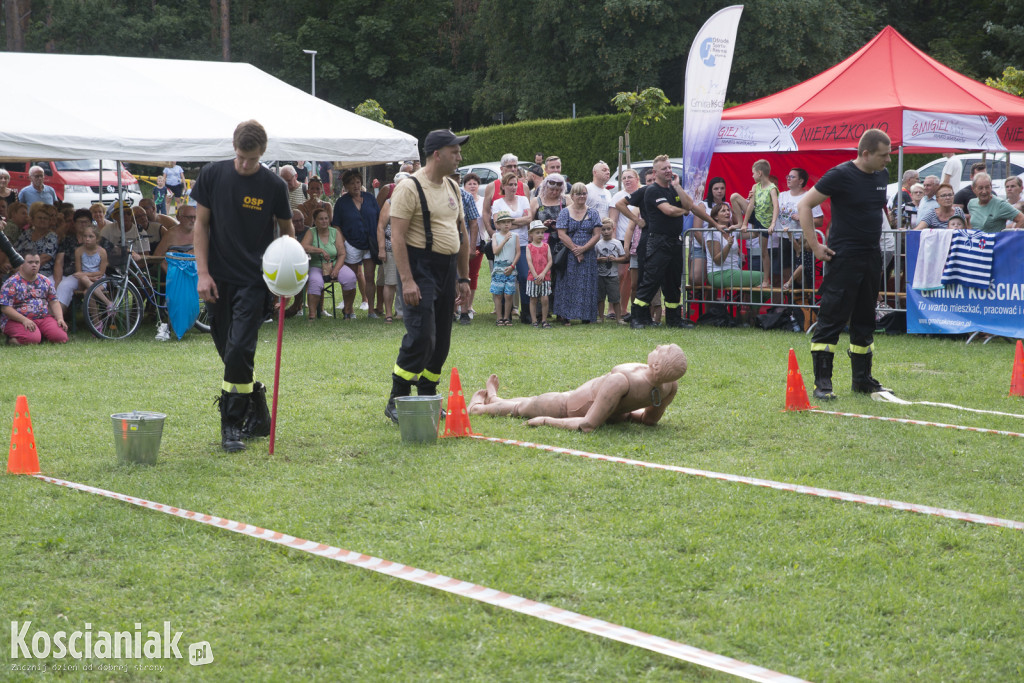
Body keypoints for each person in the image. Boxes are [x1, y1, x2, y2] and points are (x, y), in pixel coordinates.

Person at [194, 119, 293, 452]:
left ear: (263, 153)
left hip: (254, 281)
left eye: (251, 159)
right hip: (217, 280)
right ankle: (258, 408)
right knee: (229, 353)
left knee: (239, 350)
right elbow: (201, 226)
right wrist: (203, 273)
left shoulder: (274, 187)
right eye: (240, 157)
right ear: (233, 148)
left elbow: (288, 234)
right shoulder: (212, 175)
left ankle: (232, 425)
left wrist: (286, 280)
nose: (245, 164)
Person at [798, 128, 893, 401]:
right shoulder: (840, 174)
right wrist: (815, 246)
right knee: (832, 319)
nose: (888, 160)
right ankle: (823, 384)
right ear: (866, 154)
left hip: (871, 256)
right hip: (843, 258)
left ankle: (862, 380)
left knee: (865, 319)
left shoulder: (882, 175)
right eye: (883, 155)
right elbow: (804, 205)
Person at [385, 129, 472, 424]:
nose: (459, 157)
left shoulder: (452, 186)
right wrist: (407, 280)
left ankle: (427, 394)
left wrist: (464, 278)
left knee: (442, 339)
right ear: (437, 154)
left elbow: (460, 232)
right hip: (419, 266)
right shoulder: (410, 188)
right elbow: (396, 237)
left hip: (447, 268)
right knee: (422, 335)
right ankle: (397, 398)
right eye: (455, 151)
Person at [468, 344, 687, 432]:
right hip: (602, 408)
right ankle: (496, 400)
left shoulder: (621, 381)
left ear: (658, 365)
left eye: (663, 349)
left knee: (526, 407)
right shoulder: (669, 386)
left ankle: (478, 409)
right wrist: (624, 413)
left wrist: (546, 421)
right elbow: (649, 419)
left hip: (570, 406)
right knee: (533, 400)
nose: (658, 347)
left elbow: (587, 424)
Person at [630, 156, 719, 329]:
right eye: (664, 168)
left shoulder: (673, 189)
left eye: (670, 167)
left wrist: (678, 187)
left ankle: (673, 319)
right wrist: (685, 210)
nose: (669, 171)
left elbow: (691, 205)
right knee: (650, 280)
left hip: (674, 242)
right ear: (655, 172)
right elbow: (669, 210)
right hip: (658, 242)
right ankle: (638, 318)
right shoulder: (652, 190)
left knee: (673, 283)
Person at [332, 169, 381, 318]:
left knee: (369, 277)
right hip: (351, 243)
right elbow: (336, 225)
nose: (355, 185)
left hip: (370, 243)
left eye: (358, 182)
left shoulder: (370, 198)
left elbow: (379, 218)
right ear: (345, 186)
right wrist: (344, 242)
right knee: (351, 278)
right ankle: (349, 309)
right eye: (352, 183)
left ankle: (371, 310)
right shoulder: (341, 202)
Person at [555, 183, 601, 325]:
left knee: (587, 284)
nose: (582, 196)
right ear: (572, 195)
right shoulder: (565, 212)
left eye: (584, 193)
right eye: (578, 193)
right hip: (569, 254)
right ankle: (565, 315)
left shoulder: (593, 213)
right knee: (567, 283)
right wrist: (576, 250)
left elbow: (597, 235)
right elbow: (561, 234)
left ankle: (586, 315)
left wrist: (583, 249)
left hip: (588, 254)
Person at [0, 248, 68, 345]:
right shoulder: (11, 283)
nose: (34, 265)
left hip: (43, 317)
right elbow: (5, 308)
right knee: (32, 339)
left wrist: (60, 318)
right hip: (17, 320)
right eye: (30, 262)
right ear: (21, 264)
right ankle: (13, 340)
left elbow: (54, 301)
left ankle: (40, 334)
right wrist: (24, 320)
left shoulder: (45, 281)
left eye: (37, 262)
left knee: (61, 338)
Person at [490, 172, 532, 323]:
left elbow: (529, 218)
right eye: (510, 184)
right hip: (504, 245)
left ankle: (526, 311)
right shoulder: (497, 203)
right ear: (503, 186)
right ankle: (504, 314)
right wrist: (516, 222)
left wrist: (508, 222)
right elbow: (496, 224)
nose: (514, 187)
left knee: (523, 276)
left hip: (521, 242)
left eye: (515, 184)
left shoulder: (523, 200)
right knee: (503, 277)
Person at [301, 207, 356, 319]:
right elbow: (302, 247)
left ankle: (347, 310)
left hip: (335, 264)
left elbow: (341, 254)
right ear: (315, 221)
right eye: (321, 219)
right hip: (317, 265)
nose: (324, 221)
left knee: (350, 278)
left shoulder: (335, 232)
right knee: (315, 282)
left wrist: (336, 269)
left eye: (326, 218)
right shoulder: (311, 232)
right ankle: (312, 315)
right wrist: (320, 250)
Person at [733, 159, 779, 286]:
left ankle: (766, 280)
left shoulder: (772, 189)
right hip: (756, 217)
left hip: (765, 223)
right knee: (734, 197)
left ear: (759, 173)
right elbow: (751, 205)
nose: (752, 176)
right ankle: (740, 223)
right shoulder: (755, 187)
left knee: (763, 251)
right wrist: (744, 223)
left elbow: (776, 206)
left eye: (753, 173)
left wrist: (773, 223)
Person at [54, 209, 99, 313]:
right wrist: (57, 281)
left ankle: (57, 319)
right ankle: (49, 317)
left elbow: (111, 252)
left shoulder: (98, 240)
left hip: (90, 276)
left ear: (91, 223)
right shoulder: (67, 240)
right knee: (53, 284)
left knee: (65, 286)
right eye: (80, 222)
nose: (83, 225)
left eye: (86, 222)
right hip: (69, 275)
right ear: (74, 224)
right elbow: (59, 262)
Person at [610, 169, 642, 304]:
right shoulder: (618, 196)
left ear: (637, 179)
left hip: (639, 239)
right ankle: (612, 309)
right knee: (620, 275)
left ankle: (624, 309)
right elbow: (613, 221)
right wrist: (614, 242)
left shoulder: (643, 193)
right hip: (622, 239)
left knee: (631, 277)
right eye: (624, 178)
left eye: (630, 177)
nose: (627, 180)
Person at [595, 217, 627, 323]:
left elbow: (624, 258)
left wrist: (616, 259)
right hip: (600, 275)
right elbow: (594, 260)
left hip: (613, 275)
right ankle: (601, 317)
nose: (606, 232)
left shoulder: (617, 243)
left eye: (608, 229)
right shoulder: (598, 244)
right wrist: (600, 259)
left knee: (615, 297)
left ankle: (618, 318)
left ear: (613, 229)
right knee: (600, 297)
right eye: (603, 230)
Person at [489, 211, 519, 326]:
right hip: (498, 269)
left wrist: (512, 266)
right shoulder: (495, 236)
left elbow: (518, 253)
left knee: (509, 294)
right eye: (503, 222)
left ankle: (507, 317)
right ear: (498, 224)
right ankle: (499, 317)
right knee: (498, 294)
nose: (506, 225)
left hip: (510, 269)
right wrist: (505, 240)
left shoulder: (515, 236)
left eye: (508, 222)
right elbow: (495, 251)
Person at [15, 203, 59, 279]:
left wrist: (23, 269)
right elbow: (15, 251)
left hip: (41, 273)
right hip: (20, 268)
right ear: (33, 220)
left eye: (45, 218)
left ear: (49, 221)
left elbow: (44, 258)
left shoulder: (52, 236)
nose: (42, 220)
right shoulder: (26, 234)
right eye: (39, 218)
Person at [524, 220, 552, 329]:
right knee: (533, 299)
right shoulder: (529, 247)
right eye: (537, 232)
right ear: (531, 234)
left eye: (542, 232)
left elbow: (550, 261)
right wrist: (536, 275)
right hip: (533, 278)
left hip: (545, 277)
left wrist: (543, 274)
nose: (540, 235)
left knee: (545, 299)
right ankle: (534, 320)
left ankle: (544, 320)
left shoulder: (546, 246)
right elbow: (529, 262)